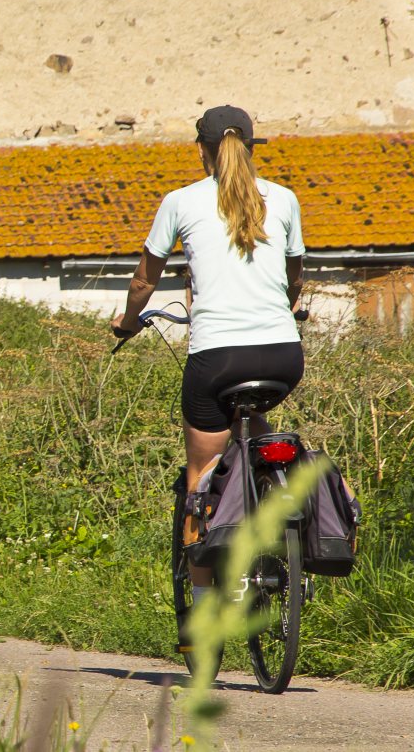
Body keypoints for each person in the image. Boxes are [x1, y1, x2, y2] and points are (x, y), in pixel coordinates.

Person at [109, 105, 306, 655]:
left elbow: (144, 281)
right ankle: (269, 514)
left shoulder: (180, 201)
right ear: (251, 146)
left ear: (201, 149)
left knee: (202, 472)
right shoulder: (284, 198)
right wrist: (286, 306)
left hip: (216, 360)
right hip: (283, 356)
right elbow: (294, 277)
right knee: (256, 434)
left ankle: (200, 621)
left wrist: (127, 323)